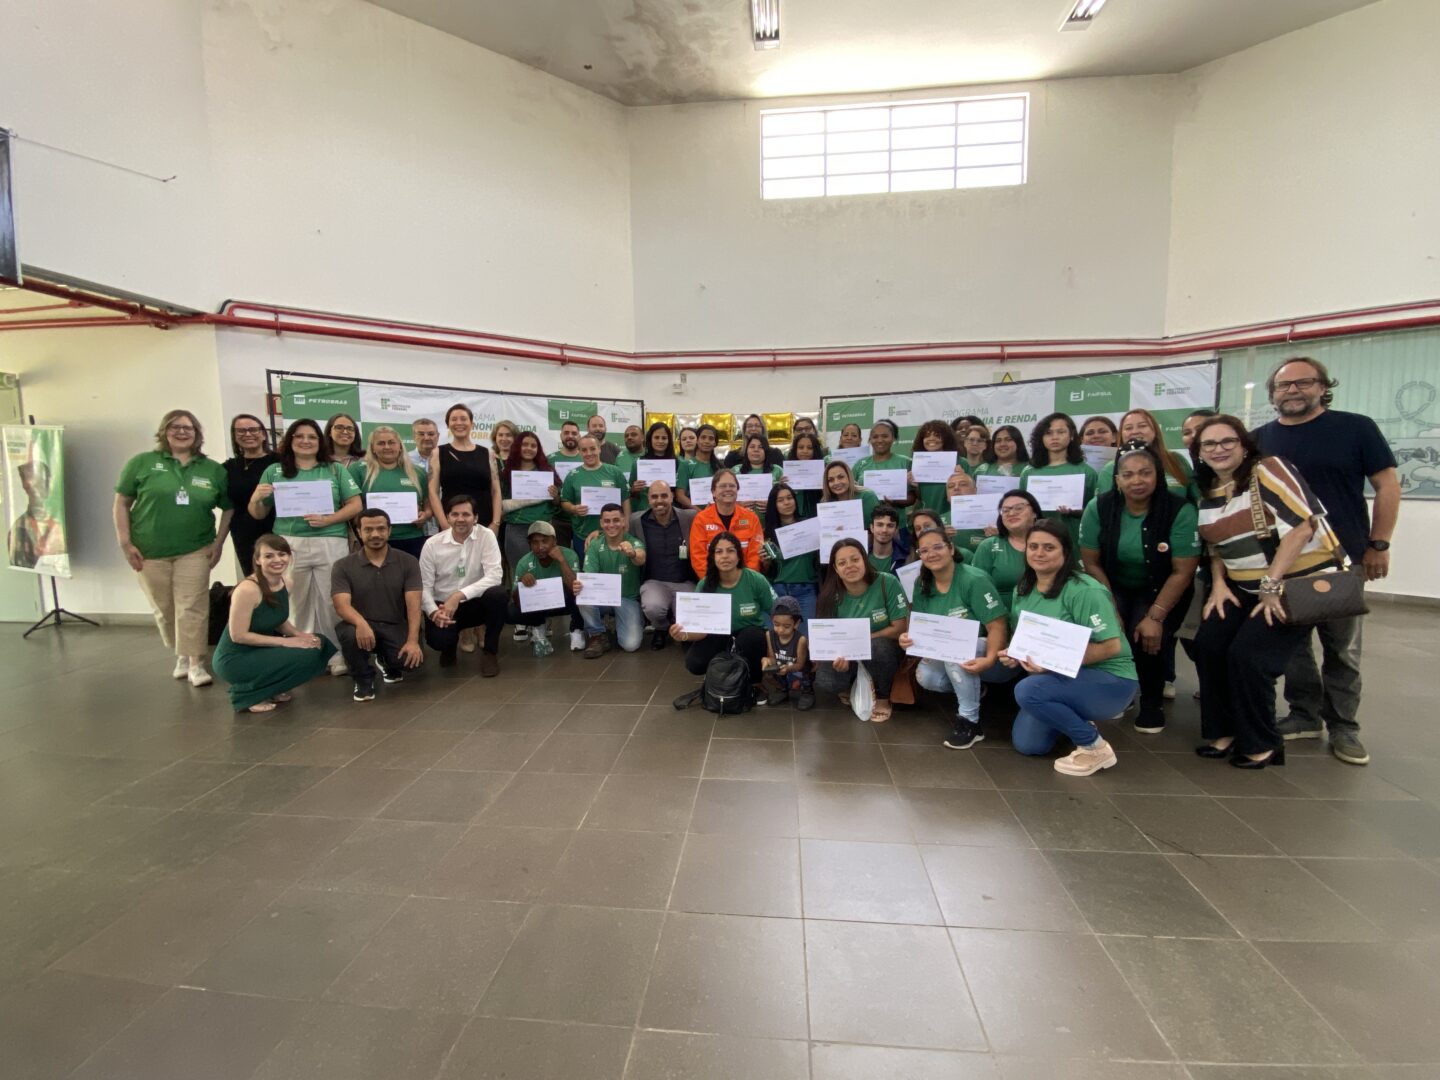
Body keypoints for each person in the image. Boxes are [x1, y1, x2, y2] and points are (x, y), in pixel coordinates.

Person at [1255, 357, 1400, 766]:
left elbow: (1387, 486)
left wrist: (1379, 543)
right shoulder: (1259, 439)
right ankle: (1304, 715)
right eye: (1283, 385)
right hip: (1285, 561)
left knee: (1342, 648)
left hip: (1342, 558)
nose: (1292, 391)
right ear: (1273, 394)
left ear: (1323, 387)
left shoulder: (1355, 428)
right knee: (1294, 646)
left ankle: (1343, 726)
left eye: (1303, 383)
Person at [1191, 415, 1345, 768]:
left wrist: (1272, 585)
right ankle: (1224, 731)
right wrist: (1218, 584)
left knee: (1250, 657)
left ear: (1244, 445)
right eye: (1209, 444)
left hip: (1293, 585)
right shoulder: (1209, 490)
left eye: (1227, 441)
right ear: (1199, 452)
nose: (1218, 449)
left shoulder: (1269, 470)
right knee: (1209, 645)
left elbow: (1303, 527)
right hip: (1241, 586)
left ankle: (1263, 742)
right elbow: (1215, 545)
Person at [999, 519, 1137, 775]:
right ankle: (1073, 716)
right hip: (1058, 676)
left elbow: (1111, 647)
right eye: (1033, 546)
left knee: (1027, 690)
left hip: (1110, 679)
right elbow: (1026, 638)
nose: (1039, 553)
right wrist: (1014, 653)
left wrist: (1049, 662)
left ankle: (1094, 747)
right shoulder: (1024, 588)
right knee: (1029, 745)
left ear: (1065, 551)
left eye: (1049, 547)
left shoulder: (1085, 591)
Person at [1079, 445, 1199, 734]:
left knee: (1146, 634)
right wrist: (1110, 608)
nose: (1137, 480)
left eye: (1145, 473)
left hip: (1162, 586)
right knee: (1110, 632)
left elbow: (1183, 571)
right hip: (1112, 583)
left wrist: (1155, 615)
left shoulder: (1179, 510)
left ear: (1158, 475)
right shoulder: (1099, 506)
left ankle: (1152, 702)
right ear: (1117, 480)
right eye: (1128, 474)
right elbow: (1091, 562)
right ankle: (1121, 695)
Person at [114, 409, 234, 686]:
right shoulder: (142, 463)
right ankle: (181, 653)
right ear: (164, 432)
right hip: (148, 550)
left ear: (197, 434)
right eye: (175, 427)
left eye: (188, 428)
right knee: (164, 607)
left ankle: (195, 663)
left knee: (192, 605)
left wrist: (218, 543)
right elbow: (121, 502)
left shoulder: (212, 469)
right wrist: (125, 542)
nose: (182, 432)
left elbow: (228, 508)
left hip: (195, 548)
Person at [248, 418, 362, 676]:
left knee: (332, 599)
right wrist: (255, 498)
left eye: (311, 437)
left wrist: (329, 519)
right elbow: (258, 513)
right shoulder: (275, 471)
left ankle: (336, 654)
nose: (305, 441)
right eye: (299, 436)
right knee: (295, 599)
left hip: (330, 539)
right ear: (290, 440)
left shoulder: (334, 470)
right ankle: (303, 653)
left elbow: (356, 505)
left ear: (320, 441)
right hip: (288, 543)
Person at [900, 526, 1009, 749]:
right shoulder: (922, 584)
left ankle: (970, 722)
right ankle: (975, 689)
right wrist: (908, 639)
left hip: (991, 653)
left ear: (950, 548)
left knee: (956, 653)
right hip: (951, 652)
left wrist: (989, 659)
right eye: (924, 551)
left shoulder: (974, 579)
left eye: (937, 547)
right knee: (926, 676)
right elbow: (922, 626)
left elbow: (997, 625)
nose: (931, 554)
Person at [211, 533, 335, 712]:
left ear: (289, 556)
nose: (277, 560)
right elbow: (238, 636)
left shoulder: (287, 583)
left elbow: (278, 619)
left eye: (282, 554)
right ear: (258, 560)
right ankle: (248, 696)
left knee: (318, 643)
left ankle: (271, 689)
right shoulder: (247, 590)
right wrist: (287, 642)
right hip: (235, 659)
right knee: (302, 654)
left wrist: (301, 635)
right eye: (269, 556)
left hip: (261, 650)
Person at [330, 508, 424, 702]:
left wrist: (413, 641)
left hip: (394, 624)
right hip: (361, 625)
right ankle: (363, 679)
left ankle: (386, 660)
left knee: (410, 662)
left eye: (381, 529)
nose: (375, 534)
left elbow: (414, 605)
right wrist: (361, 623)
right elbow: (341, 605)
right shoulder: (342, 566)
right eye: (368, 529)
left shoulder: (408, 561)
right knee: (349, 634)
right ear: (359, 532)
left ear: (389, 530)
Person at [814, 538, 908, 723]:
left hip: (883, 651)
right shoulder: (829, 595)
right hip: (848, 653)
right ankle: (850, 685)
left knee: (878, 646)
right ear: (835, 569)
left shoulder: (887, 582)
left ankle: (882, 697)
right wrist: (839, 657)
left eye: (855, 559)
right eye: (842, 563)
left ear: (865, 559)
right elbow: (828, 640)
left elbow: (900, 628)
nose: (850, 566)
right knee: (826, 681)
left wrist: (865, 639)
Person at [418, 494, 510, 674]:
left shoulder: (486, 536)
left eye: (466, 514)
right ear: (448, 517)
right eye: (455, 514)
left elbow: (495, 576)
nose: (460, 519)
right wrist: (434, 612)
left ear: (475, 518)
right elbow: (424, 586)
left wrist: (459, 595)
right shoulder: (432, 544)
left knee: (498, 595)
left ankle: (490, 652)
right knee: (439, 641)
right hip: (443, 607)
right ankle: (449, 646)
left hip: (474, 604)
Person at [671, 531, 774, 685]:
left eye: (730, 550)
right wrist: (683, 635)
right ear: (713, 557)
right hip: (718, 636)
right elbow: (701, 630)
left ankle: (754, 682)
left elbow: (775, 613)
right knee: (694, 663)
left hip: (749, 636)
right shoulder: (704, 584)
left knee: (752, 637)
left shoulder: (756, 580)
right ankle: (720, 674)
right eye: (719, 552)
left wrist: (772, 653)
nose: (725, 556)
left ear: (739, 556)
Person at [631, 480, 697, 650]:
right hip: (655, 582)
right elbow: (615, 530)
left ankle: (680, 626)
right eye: (654, 497)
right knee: (653, 607)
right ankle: (661, 628)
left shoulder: (689, 517)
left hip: (685, 582)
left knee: (690, 614)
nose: (659, 501)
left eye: (663, 496)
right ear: (648, 499)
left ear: (672, 497)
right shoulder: (636, 521)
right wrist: (597, 533)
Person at [351, 426, 431, 559]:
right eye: (381, 443)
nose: (387, 447)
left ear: (400, 446)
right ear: (373, 448)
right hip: (373, 539)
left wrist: (425, 515)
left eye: (391, 442)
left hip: (411, 538)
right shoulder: (358, 470)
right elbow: (351, 505)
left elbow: (428, 504)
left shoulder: (418, 472)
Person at [578, 503, 647, 657]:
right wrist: (581, 585)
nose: (611, 525)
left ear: (623, 521)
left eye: (616, 520)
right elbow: (589, 575)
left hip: (626, 598)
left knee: (630, 645)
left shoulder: (633, 542)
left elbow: (641, 558)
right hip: (602, 598)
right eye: (607, 521)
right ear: (601, 523)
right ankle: (597, 635)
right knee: (582, 592)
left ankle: (633, 620)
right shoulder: (595, 544)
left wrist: (632, 554)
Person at [1021, 412, 1097, 548]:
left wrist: (1075, 512)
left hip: (1075, 541)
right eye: (1048, 433)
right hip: (1038, 542)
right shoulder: (1029, 472)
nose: (1054, 437)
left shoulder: (1086, 471)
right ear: (1041, 438)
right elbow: (1022, 508)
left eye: (1061, 432)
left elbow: (1095, 512)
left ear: (1071, 435)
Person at [507, 521, 584, 655]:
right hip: (540, 606)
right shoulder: (524, 562)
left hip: (564, 602)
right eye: (535, 542)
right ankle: (538, 625)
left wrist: (562, 561)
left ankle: (576, 629)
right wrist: (522, 584)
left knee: (579, 592)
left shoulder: (569, 555)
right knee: (511, 612)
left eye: (545, 541)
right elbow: (516, 600)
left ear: (554, 541)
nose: (540, 547)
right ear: (529, 544)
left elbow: (575, 588)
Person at [427, 403, 501, 535]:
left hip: (485, 524)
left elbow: (496, 491)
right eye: (454, 419)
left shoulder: (487, 454)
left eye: (463, 419)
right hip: (452, 524)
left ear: (472, 423)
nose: (459, 423)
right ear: (448, 424)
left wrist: (495, 524)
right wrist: (445, 525)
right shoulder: (438, 453)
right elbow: (433, 492)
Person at [222, 414, 278, 579]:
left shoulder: (279, 462)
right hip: (244, 534)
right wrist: (218, 543)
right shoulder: (228, 468)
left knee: (280, 580)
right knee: (254, 581)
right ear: (234, 436)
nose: (247, 434)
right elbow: (228, 507)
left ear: (263, 434)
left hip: (276, 530)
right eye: (241, 431)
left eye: (253, 429)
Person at [560, 434, 630, 557]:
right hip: (582, 534)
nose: (589, 453)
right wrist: (573, 508)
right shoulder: (572, 476)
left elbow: (625, 499)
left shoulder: (615, 472)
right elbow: (564, 501)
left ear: (599, 449)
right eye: (584, 450)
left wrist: (627, 523)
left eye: (592, 449)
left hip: (614, 531)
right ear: (579, 452)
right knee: (587, 568)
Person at [970, 490, 1042, 611]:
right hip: (999, 614)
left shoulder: (1051, 543)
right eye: (1005, 510)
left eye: (1019, 508)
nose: (1011, 513)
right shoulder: (988, 546)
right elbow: (976, 588)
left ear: (1034, 512)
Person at [1095, 410, 1193, 498]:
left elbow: (1195, 499)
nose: (1135, 432)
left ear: (1155, 431)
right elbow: (1105, 506)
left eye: (1142, 426)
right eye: (1128, 428)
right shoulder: (1109, 469)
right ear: (1121, 435)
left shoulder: (1176, 460)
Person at [501, 430, 557, 580]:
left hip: (543, 528)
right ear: (518, 446)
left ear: (538, 449)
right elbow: (501, 504)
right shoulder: (507, 472)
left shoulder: (547, 471)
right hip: (516, 529)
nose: (529, 448)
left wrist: (555, 495)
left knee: (544, 573)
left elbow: (557, 503)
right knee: (521, 574)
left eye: (533, 446)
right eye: (525, 444)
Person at [762, 482, 819, 624]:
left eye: (789, 498)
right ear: (774, 505)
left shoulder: (810, 526)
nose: (786, 503)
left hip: (806, 590)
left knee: (806, 636)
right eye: (780, 500)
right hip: (778, 590)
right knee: (777, 635)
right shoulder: (767, 533)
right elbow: (767, 572)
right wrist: (766, 563)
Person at [689, 469, 764, 577]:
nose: (728, 489)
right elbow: (698, 557)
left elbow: (755, 555)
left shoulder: (751, 518)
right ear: (713, 492)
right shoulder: (701, 520)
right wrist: (715, 581)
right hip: (712, 581)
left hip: (746, 580)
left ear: (737, 490)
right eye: (723, 486)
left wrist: (744, 581)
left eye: (732, 486)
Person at [8, 460, 66, 570]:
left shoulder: (60, 522)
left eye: (40, 484)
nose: (37, 491)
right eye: (32, 486)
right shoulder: (19, 529)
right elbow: (24, 571)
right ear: (25, 488)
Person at [760, 595, 814, 709]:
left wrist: (788, 668)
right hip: (782, 664)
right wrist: (766, 660)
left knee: (805, 673)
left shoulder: (801, 640)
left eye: (787, 626)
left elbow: (800, 664)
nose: (780, 630)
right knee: (773, 669)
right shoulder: (769, 635)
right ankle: (782, 689)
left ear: (796, 624)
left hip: (798, 667)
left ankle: (807, 691)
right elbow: (772, 657)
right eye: (776, 624)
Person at [853, 420, 914, 506]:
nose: (880, 440)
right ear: (870, 440)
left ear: (893, 438)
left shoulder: (906, 462)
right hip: (866, 514)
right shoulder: (860, 464)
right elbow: (850, 493)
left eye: (885, 436)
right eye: (875, 437)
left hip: (895, 514)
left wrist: (895, 501)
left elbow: (913, 497)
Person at [628, 421, 677, 513]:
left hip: (670, 512)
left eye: (664, 438)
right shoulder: (639, 463)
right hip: (645, 511)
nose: (660, 441)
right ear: (650, 439)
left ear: (669, 440)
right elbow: (631, 493)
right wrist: (634, 489)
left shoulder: (678, 463)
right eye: (656, 437)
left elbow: (681, 492)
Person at [549, 420, 584, 550]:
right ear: (561, 435)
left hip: (583, 519)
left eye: (574, 433)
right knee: (561, 556)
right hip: (558, 519)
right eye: (566, 433)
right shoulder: (550, 459)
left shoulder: (586, 458)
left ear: (579, 436)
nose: (570, 436)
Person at [911, 420, 958, 515]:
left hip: (952, 515)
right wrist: (912, 486)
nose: (931, 439)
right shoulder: (915, 464)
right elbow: (917, 498)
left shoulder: (960, 462)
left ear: (946, 438)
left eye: (937, 435)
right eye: (927, 436)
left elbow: (969, 491)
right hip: (925, 516)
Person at [942, 469, 990, 559]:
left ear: (975, 490)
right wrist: (939, 537)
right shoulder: (937, 521)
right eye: (951, 486)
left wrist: (997, 537)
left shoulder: (992, 519)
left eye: (963, 484)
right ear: (947, 496)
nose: (956, 488)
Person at [821, 460, 880, 526]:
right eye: (831, 480)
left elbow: (875, 527)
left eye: (841, 477)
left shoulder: (867, 497)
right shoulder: (825, 502)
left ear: (849, 477)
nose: (836, 482)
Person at [736, 434, 784, 514]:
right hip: (742, 518)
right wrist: (737, 504)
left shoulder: (777, 470)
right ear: (746, 450)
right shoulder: (735, 471)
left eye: (761, 447)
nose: (756, 450)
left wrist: (772, 504)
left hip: (771, 518)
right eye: (752, 447)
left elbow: (786, 497)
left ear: (766, 451)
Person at [676, 424, 720, 509]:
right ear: (697, 440)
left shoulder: (720, 467)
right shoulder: (686, 465)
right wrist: (700, 512)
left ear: (715, 443)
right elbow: (680, 496)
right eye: (703, 437)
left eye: (711, 438)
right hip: (693, 514)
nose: (706, 441)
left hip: (717, 513)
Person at [785, 432, 826, 519]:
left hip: (819, 514)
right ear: (795, 450)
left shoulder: (824, 470)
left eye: (810, 448)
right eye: (801, 447)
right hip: (795, 517)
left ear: (815, 450)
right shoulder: (788, 472)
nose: (805, 451)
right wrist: (782, 486)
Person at [868, 503, 901, 573]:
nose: (884, 530)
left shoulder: (907, 558)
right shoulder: (861, 556)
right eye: (880, 525)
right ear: (872, 528)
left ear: (896, 530)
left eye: (890, 526)